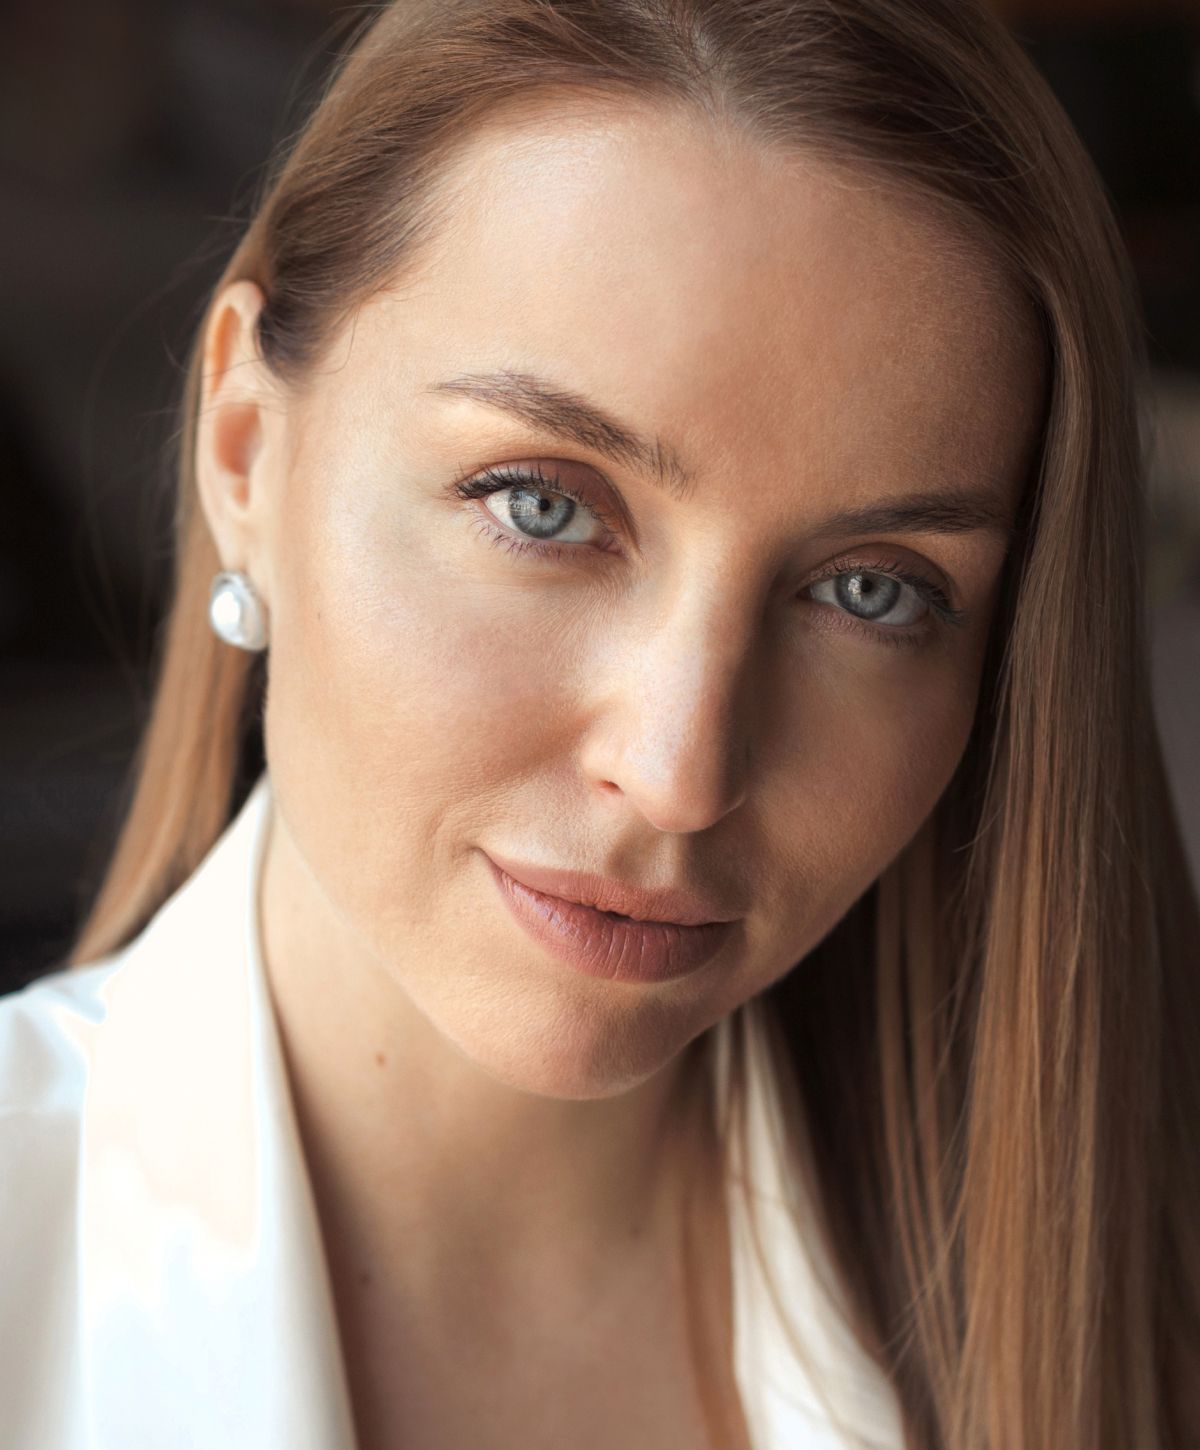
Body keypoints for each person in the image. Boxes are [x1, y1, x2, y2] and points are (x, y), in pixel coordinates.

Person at [2, 0, 1198, 1446]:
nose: (681, 771)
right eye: (542, 506)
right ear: (247, 450)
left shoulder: (1137, 1308)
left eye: (871, 590)